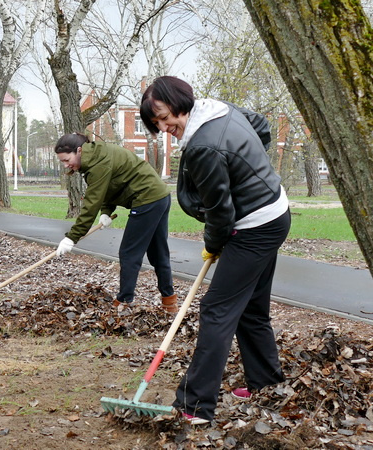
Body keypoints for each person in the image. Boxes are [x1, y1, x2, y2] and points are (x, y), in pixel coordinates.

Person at [140, 76, 291, 425]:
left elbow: (220, 212)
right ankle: (266, 383)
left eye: (165, 117)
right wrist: (248, 172)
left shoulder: (203, 145)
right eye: (157, 123)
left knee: (216, 310)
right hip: (274, 213)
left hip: (255, 228)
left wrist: (213, 244)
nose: (165, 128)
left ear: (180, 102)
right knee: (251, 308)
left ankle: (195, 406)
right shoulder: (219, 110)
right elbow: (261, 127)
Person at [53, 132, 178, 312]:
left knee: (129, 253)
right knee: (158, 252)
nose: (67, 165)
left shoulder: (97, 164)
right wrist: (106, 211)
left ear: (79, 150)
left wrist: (72, 237)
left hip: (146, 198)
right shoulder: (98, 155)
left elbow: (91, 204)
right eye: (63, 162)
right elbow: (111, 185)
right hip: (159, 196)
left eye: (67, 159)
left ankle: (124, 302)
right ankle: (169, 301)